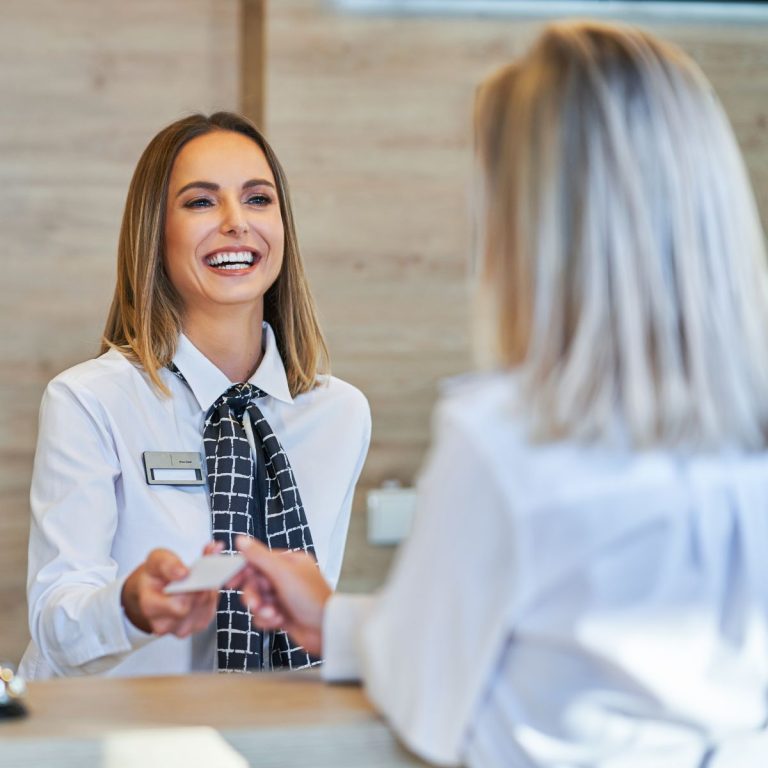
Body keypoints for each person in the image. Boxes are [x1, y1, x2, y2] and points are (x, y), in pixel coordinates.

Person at [231, 21, 768, 768]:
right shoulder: (746, 438)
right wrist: (335, 619)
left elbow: (426, 703)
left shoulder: (505, 436)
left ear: (537, 220)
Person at [20, 112, 371, 679]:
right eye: (201, 202)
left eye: (258, 199)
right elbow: (56, 624)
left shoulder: (340, 414)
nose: (236, 223)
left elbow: (312, 611)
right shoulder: (89, 401)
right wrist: (129, 606)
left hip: (280, 740)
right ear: (155, 232)